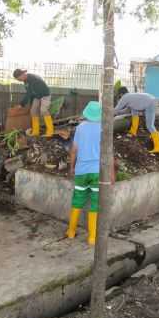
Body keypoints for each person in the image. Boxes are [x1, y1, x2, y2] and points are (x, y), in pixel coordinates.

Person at [66, 101, 103, 246]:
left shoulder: (80, 128)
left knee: (77, 201)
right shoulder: (103, 128)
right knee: (94, 203)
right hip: (97, 172)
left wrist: (72, 167)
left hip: (81, 171)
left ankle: (70, 232)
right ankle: (92, 237)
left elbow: (74, 150)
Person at [13, 69, 53, 138]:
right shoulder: (25, 81)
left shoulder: (32, 79)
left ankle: (50, 131)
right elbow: (31, 94)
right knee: (33, 111)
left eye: (19, 79)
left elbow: (29, 93)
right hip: (37, 96)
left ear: (22, 74)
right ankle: (35, 131)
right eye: (18, 80)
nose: (19, 80)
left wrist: (21, 104)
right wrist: (31, 105)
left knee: (43, 110)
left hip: (45, 94)